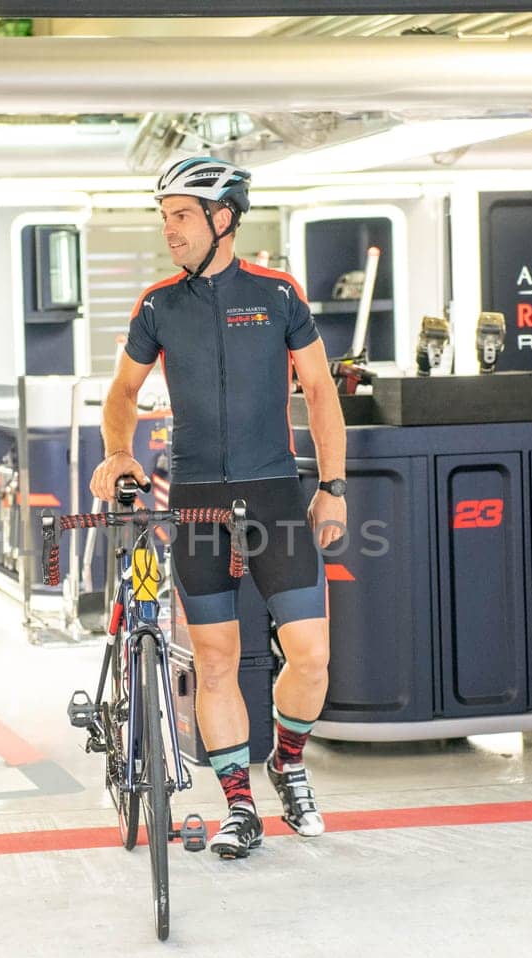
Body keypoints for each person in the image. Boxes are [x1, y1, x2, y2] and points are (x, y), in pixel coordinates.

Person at [90, 156, 348, 859]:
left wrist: (333, 485)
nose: (168, 230)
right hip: (198, 498)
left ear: (223, 218)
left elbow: (321, 391)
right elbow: (123, 391)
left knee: (312, 657)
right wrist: (118, 451)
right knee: (215, 660)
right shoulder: (157, 304)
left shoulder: (278, 293)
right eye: (164, 216)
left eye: (181, 215)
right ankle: (239, 802)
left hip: (275, 493)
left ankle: (287, 759)